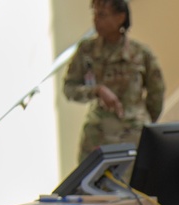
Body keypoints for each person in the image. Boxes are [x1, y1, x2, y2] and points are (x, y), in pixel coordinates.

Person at [63, 0, 164, 163]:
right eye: (94, 14)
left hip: (133, 137)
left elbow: (156, 94)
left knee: (132, 186)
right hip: (97, 136)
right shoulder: (86, 50)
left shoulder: (141, 54)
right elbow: (69, 88)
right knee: (88, 186)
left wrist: (138, 120)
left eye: (102, 15)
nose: (96, 19)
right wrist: (96, 90)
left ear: (120, 17)